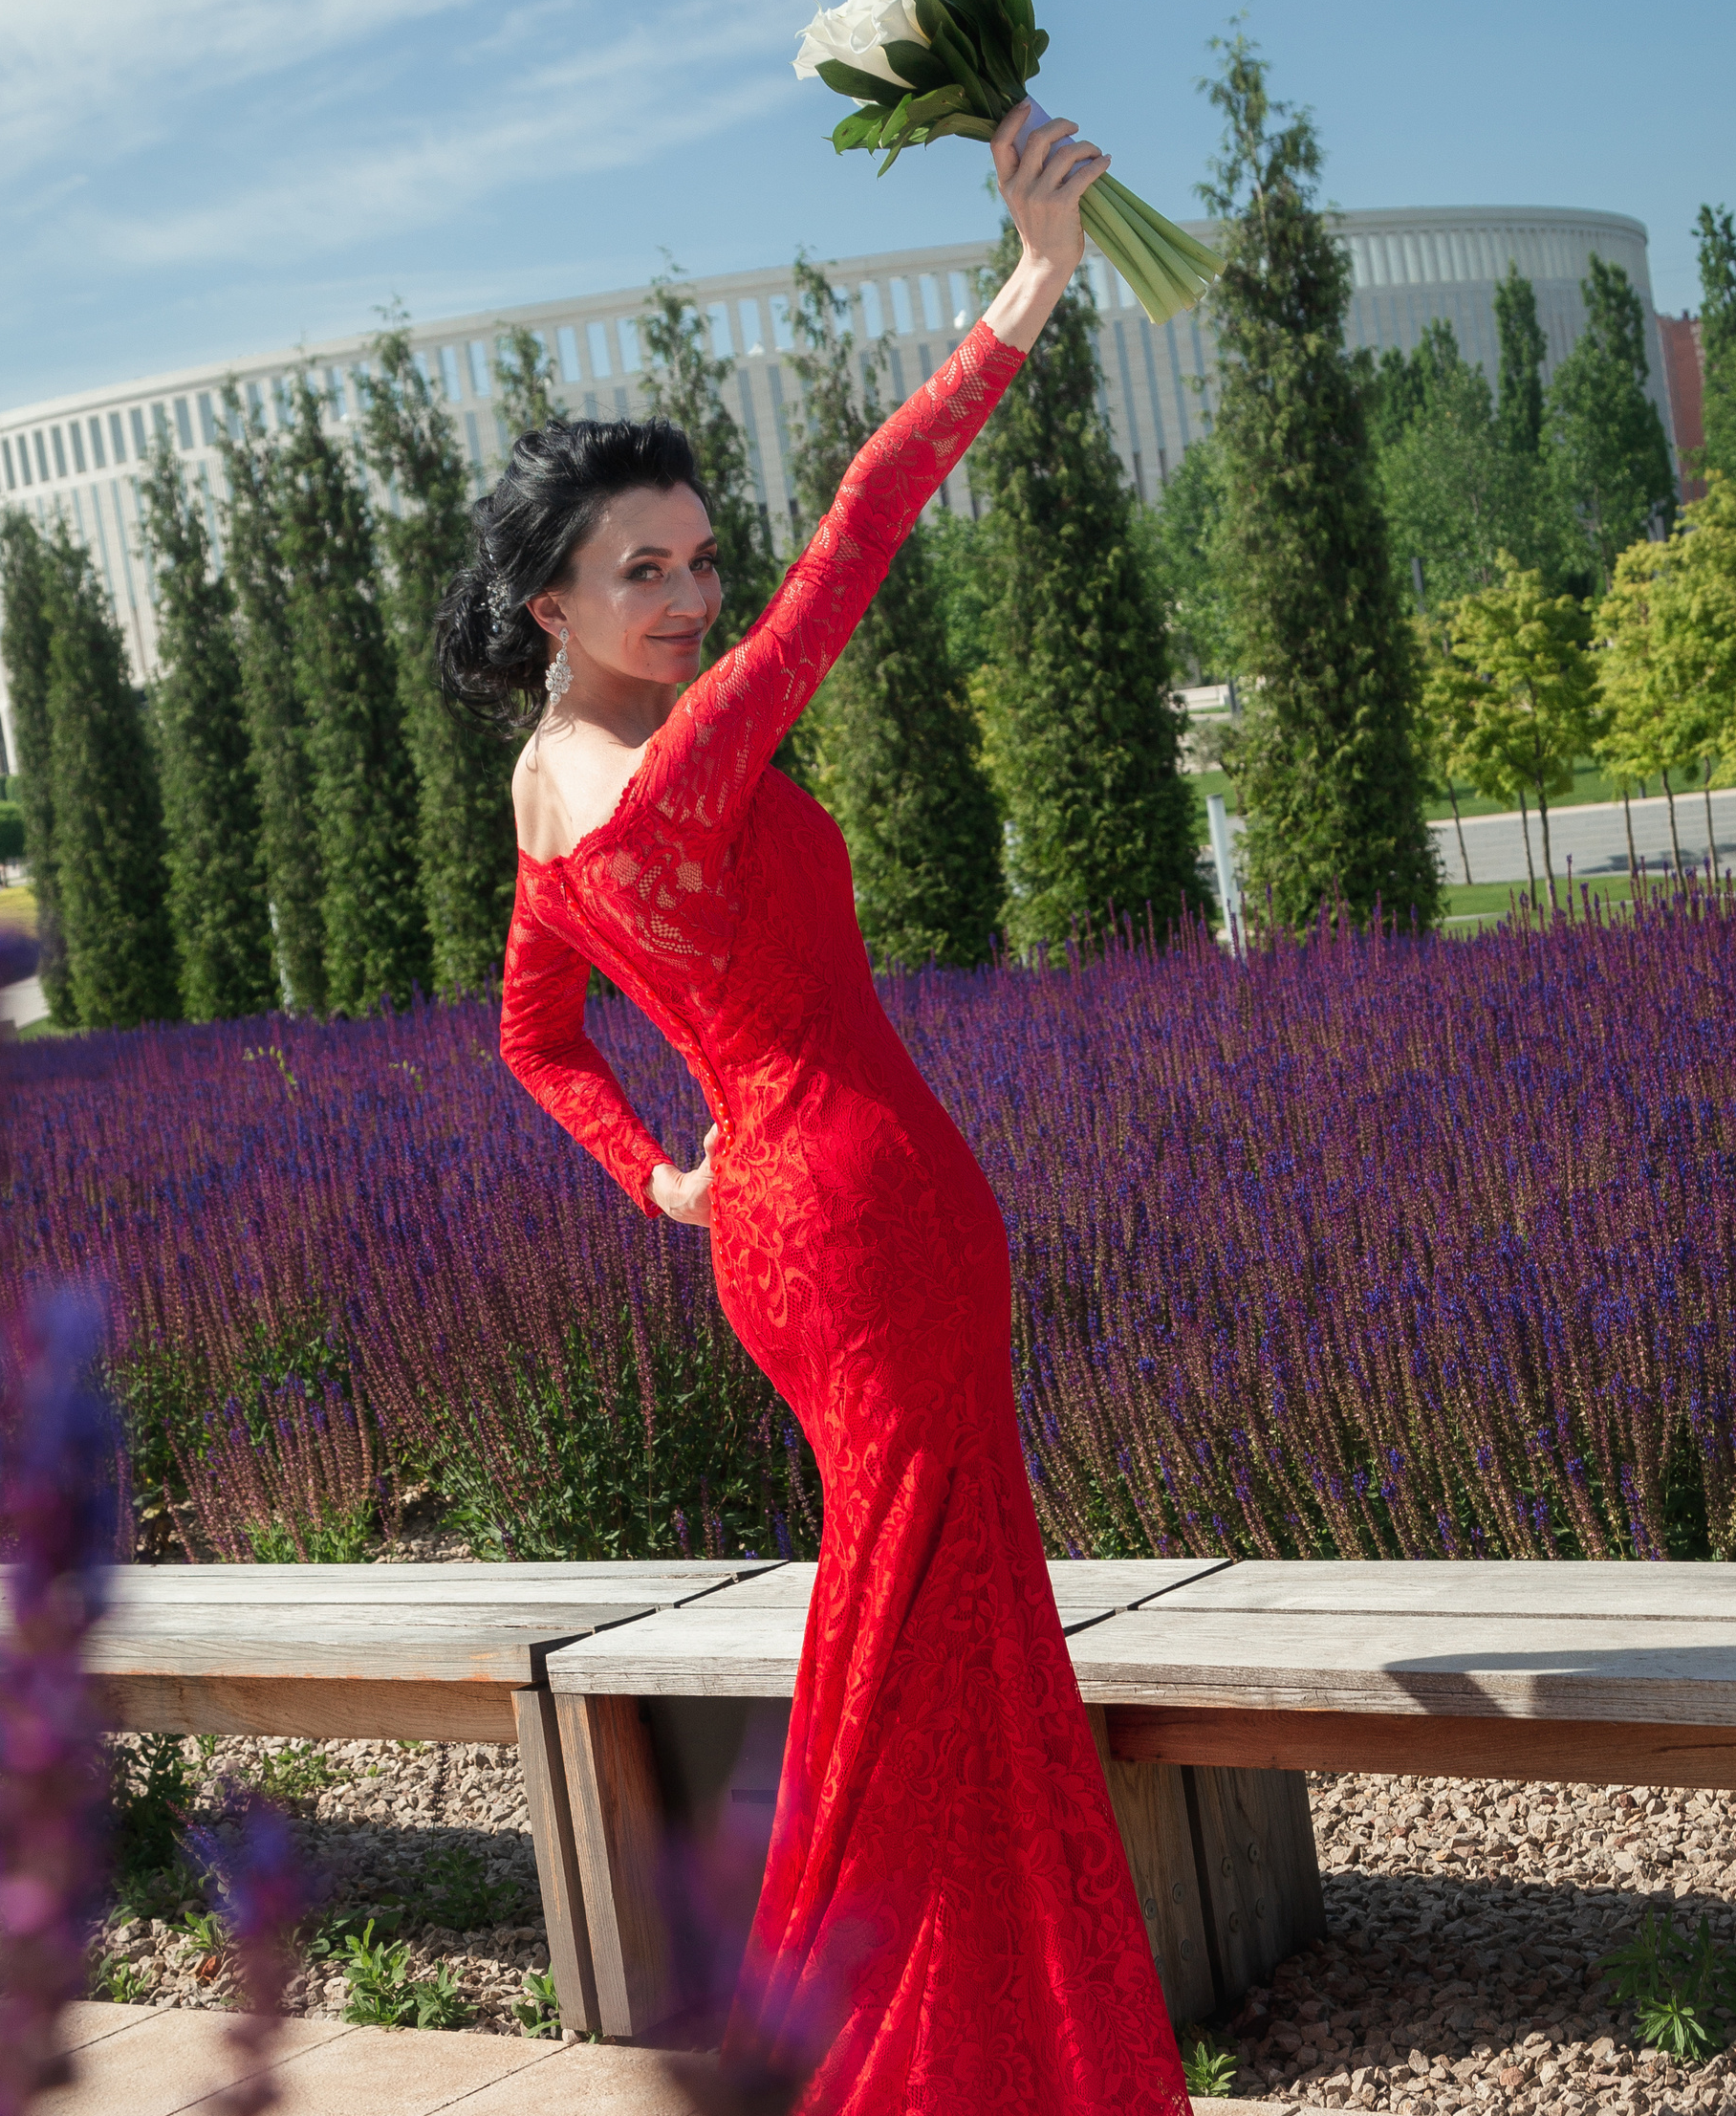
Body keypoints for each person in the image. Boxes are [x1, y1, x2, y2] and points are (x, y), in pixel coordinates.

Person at [442, 104, 1184, 2112]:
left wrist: (664, 1174)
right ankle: (918, 2059)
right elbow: (861, 522)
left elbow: (532, 1034)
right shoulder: (671, 779)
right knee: (929, 1644)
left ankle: (958, 2040)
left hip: (780, 1220)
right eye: (641, 571)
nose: (689, 598)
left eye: (697, 559)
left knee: (912, 1628)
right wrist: (1023, 292)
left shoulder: (545, 803)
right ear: (551, 604)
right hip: (868, 1213)